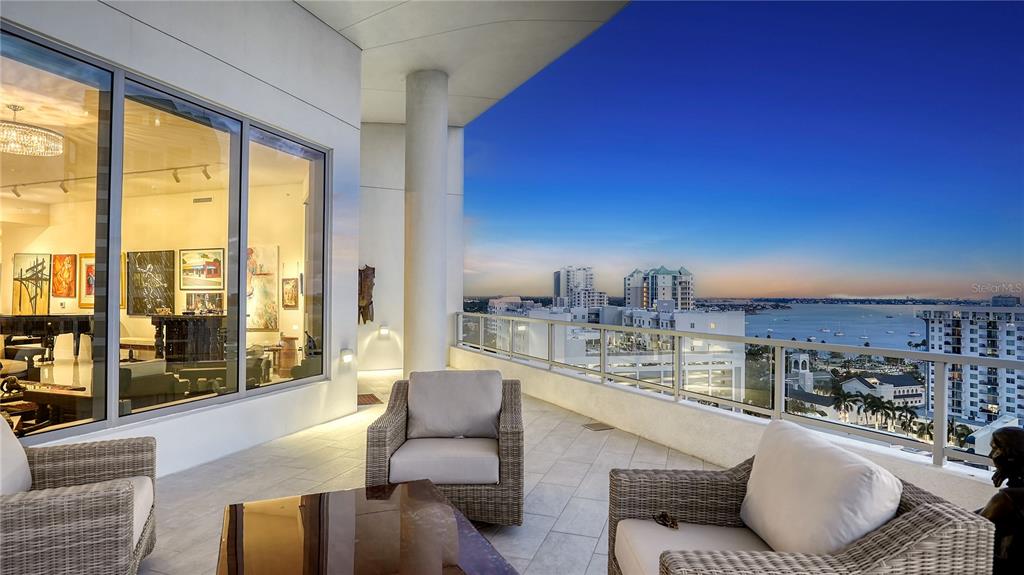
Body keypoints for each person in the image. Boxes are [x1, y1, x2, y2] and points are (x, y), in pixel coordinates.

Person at [979, 426, 1024, 575]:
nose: (990, 455)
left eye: (996, 449)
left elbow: (972, 526)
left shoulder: (1006, 499)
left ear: (1011, 456)